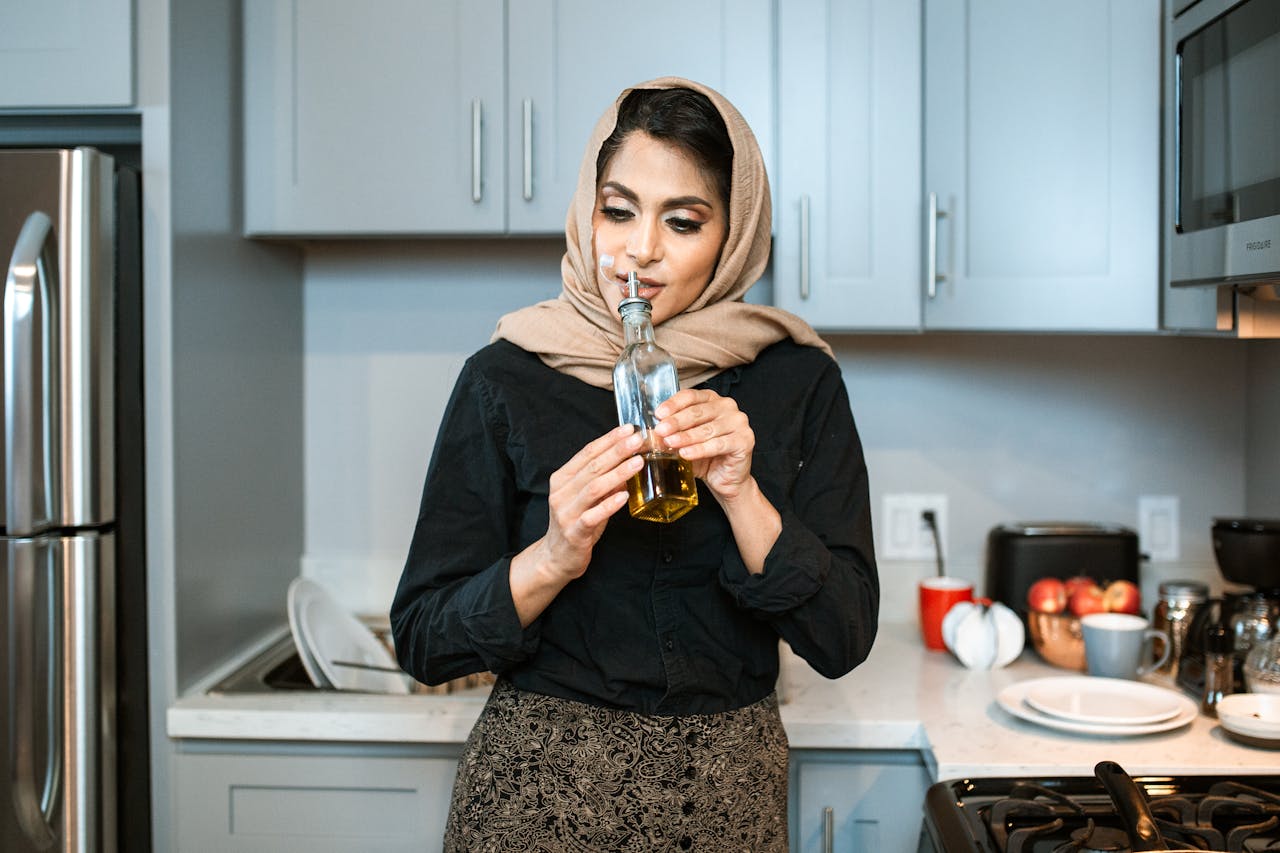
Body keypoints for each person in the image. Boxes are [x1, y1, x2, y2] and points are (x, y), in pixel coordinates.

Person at [391, 76, 878, 852]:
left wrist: (741, 492)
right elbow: (423, 638)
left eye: (682, 221)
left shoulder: (797, 380)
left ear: (734, 235)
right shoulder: (506, 375)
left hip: (726, 799)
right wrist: (553, 557)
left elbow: (843, 635)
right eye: (617, 210)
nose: (638, 250)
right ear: (587, 212)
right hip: (534, 795)